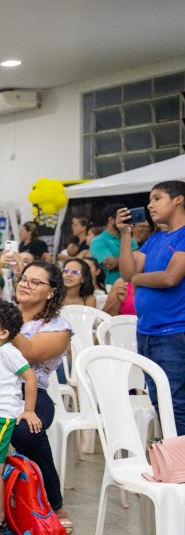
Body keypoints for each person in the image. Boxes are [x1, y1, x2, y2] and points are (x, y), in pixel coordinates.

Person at [0, 262, 73, 533]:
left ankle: (54, 503)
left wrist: (3, 317)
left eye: (35, 282)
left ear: (51, 292)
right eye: (23, 278)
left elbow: (29, 353)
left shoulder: (59, 327)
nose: (25, 285)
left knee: (26, 431)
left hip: (31, 392)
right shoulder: (2, 309)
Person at [116, 180, 185, 435]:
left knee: (177, 406)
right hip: (147, 332)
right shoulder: (155, 239)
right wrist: (126, 234)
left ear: (178, 199)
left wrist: (137, 278)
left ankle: (179, 459)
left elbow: (170, 278)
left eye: (157, 198)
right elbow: (127, 273)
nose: (150, 205)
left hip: (174, 333)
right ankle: (172, 455)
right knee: (159, 403)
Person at [0, 299, 40, 530]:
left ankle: (0, 515)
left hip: (0, 417)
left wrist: (28, 410)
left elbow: (30, 377)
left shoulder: (8, 352)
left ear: (3, 333)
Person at [89, 204, 137, 288]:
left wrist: (117, 261)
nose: (126, 221)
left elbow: (139, 263)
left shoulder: (131, 240)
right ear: (111, 220)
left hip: (132, 287)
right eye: (122, 218)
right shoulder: (98, 241)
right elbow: (109, 264)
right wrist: (131, 261)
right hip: (111, 288)